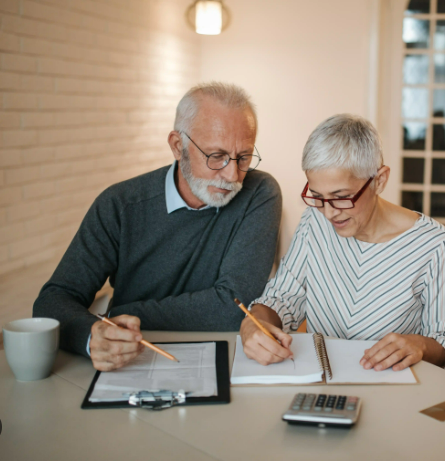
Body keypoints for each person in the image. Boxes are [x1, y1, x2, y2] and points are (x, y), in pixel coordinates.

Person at [33, 82, 282, 371]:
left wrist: (121, 312)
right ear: (178, 146)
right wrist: (93, 335)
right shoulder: (120, 205)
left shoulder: (259, 192)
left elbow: (234, 307)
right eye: (216, 156)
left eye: (244, 157)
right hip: (130, 362)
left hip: (227, 360)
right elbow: (52, 301)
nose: (232, 174)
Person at [241, 114, 445, 372]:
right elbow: (282, 297)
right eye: (317, 196)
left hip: (393, 388)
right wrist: (254, 321)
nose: (329, 213)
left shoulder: (435, 245)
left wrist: (420, 345)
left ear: (379, 180)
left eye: (341, 197)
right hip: (322, 385)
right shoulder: (314, 222)